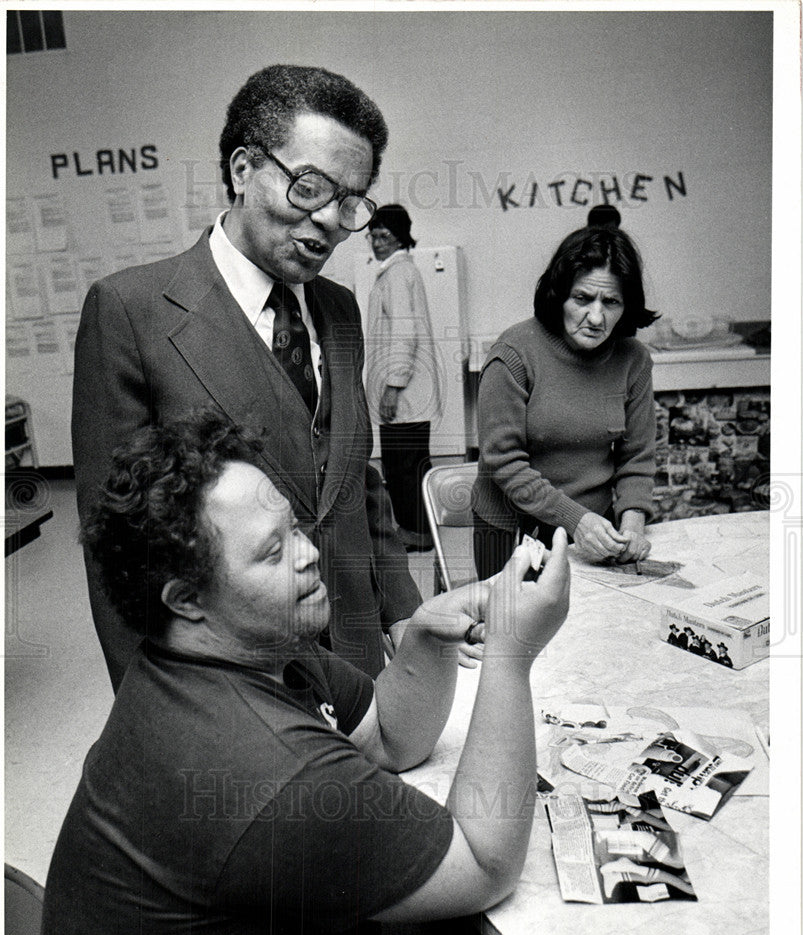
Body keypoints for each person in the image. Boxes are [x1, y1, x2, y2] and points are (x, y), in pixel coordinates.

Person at [38, 409, 570, 935]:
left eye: (293, 528)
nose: (308, 552)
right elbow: (486, 864)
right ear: (186, 599)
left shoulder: (239, 647)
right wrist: (513, 654)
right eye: (273, 552)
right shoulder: (263, 768)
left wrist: (424, 636)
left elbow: (389, 737)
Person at [71, 64, 420, 688]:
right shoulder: (132, 311)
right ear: (242, 169)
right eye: (309, 189)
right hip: (234, 677)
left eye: (349, 202)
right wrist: (153, 707)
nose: (329, 222)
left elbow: (354, 480)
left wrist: (404, 615)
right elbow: (116, 546)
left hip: (358, 655)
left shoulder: (339, 309)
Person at [472, 222, 659, 578]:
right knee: (517, 628)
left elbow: (637, 458)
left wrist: (633, 521)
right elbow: (504, 462)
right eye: (583, 299)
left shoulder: (633, 360)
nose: (596, 317)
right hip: (513, 527)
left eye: (612, 302)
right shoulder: (513, 354)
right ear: (559, 294)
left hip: (593, 525)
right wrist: (576, 520)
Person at [365, 204, 442, 552]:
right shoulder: (401, 271)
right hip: (412, 389)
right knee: (411, 463)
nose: (377, 243)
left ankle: (416, 531)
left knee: (402, 467)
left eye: (384, 236)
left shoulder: (397, 274)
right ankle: (420, 527)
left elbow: (403, 335)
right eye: (373, 235)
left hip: (405, 390)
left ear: (400, 238)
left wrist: (393, 387)